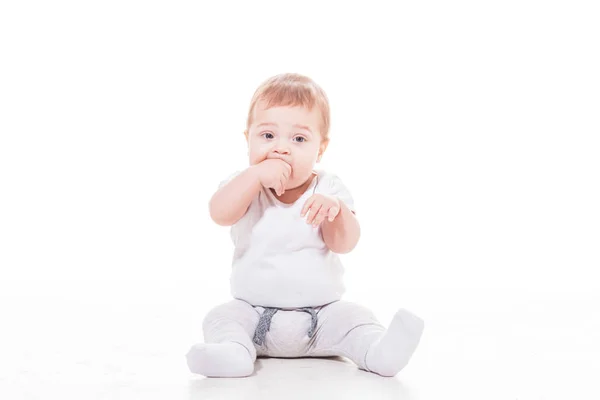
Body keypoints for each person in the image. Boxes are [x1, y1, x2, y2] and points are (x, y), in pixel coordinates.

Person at [186, 73, 424, 378]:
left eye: (298, 139)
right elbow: (219, 213)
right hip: (253, 313)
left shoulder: (328, 188)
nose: (281, 148)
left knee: (355, 316)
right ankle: (234, 353)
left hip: (321, 316)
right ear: (248, 139)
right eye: (267, 135)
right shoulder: (244, 185)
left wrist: (336, 212)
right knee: (220, 317)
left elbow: (345, 243)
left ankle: (379, 352)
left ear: (320, 149)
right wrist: (254, 177)